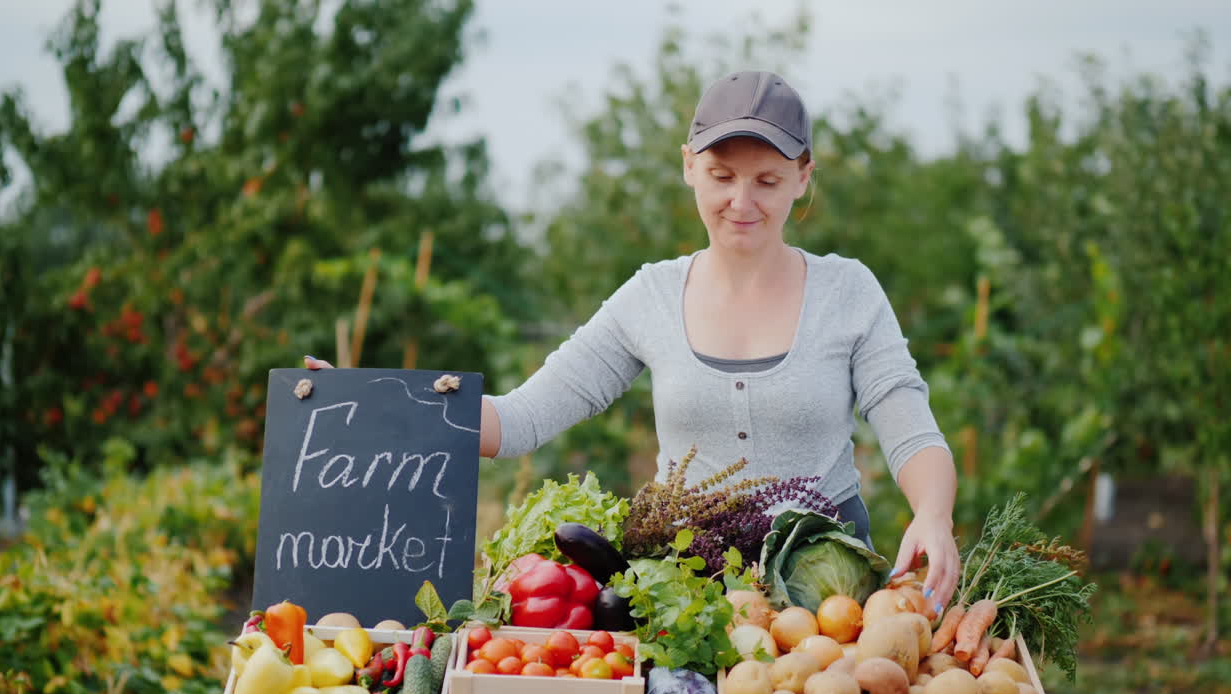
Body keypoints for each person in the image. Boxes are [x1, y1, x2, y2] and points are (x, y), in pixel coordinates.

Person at [307, 70, 959, 613]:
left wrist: (933, 513)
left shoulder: (848, 292)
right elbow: (524, 417)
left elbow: (907, 420)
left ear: (803, 176)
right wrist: (376, 408)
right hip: (689, 595)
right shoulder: (650, 297)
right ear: (688, 168)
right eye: (721, 174)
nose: (742, 200)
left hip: (830, 598)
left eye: (767, 179)